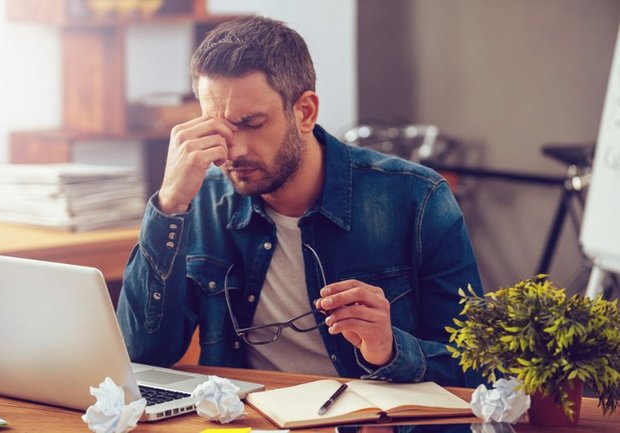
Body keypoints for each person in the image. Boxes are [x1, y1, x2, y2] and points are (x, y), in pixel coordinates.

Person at [116, 15, 483, 387]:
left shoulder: (418, 199)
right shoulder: (201, 200)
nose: (235, 150)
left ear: (305, 111)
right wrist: (170, 204)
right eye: (219, 126)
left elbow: (477, 370)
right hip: (247, 420)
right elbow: (143, 356)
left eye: (253, 123)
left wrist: (390, 349)